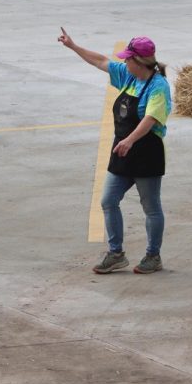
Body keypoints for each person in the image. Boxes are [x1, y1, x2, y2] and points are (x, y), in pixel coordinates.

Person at [58, 28, 172, 275]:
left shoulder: (158, 86)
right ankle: (116, 253)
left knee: (151, 207)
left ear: (138, 61)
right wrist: (74, 47)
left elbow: (151, 118)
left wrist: (130, 140)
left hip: (146, 153)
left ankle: (153, 256)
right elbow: (100, 61)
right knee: (108, 200)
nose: (123, 61)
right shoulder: (128, 76)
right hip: (122, 150)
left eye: (127, 58)